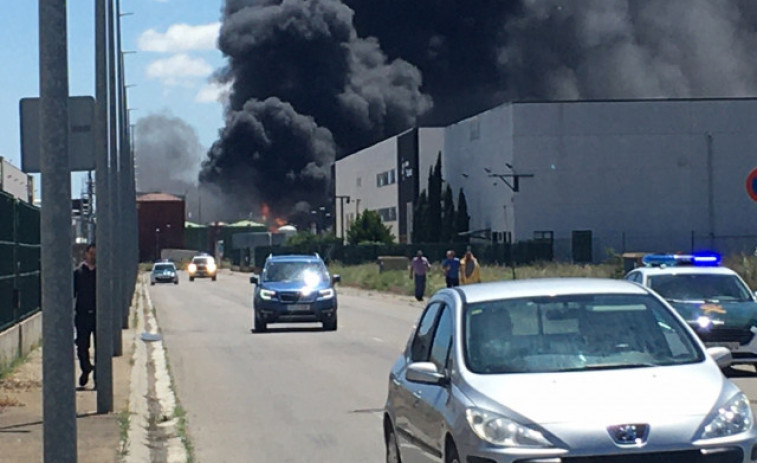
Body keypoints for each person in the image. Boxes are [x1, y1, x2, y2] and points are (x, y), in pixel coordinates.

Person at [74, 243, 96, 388]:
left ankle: (99, 378)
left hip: (98, 314)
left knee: (101, 347)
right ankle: (86, 368)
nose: (93, 256)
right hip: (82, 314)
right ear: (86, 254)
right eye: (91, 253)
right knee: (82, 346)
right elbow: (72, 293)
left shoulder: (101, 272)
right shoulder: (78, 273)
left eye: (95, 254)